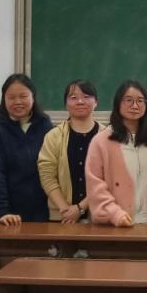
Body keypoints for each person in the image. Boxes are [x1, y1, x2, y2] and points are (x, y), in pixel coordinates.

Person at [86, 80, 147, 226]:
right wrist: (115, 214)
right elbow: (95, 185)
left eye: (140, 101)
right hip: (114, 223)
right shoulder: (101, 141)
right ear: (118, 103)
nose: (135, 105)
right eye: (128, 100)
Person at [0, 73, 53, 226]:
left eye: (23, 96)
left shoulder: (45, 125)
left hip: (42, 211)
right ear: (4, 99)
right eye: (11, 97)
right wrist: (2, 211)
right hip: (7, 213)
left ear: (33, 97)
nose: (18, 102)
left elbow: (52, 169)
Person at [38, 79, 99, 222]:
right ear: (66, 103)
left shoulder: (107, 136)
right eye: (73, 97)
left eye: (86, 97)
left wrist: (80, 208)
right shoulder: (53, 136)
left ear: (96, 102)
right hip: (61, 217)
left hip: (99, 215)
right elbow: (47, 175)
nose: (80, 101)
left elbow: (108, 178)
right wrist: (65, 210)